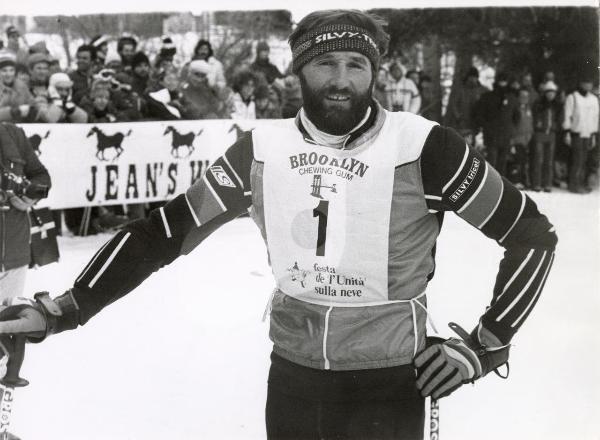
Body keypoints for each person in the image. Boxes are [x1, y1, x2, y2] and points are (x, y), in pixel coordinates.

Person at [0, 10, 557, 440]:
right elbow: (162, 233)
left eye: (356, 65)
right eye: (325, 63)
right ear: (299, 70)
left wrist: (486, 345)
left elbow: (532, 236)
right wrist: (66, 308)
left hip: (389, 382)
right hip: (293, 379)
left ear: (374, 73)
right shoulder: (260, 151)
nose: (341, 80)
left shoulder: (425, 146)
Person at [0, 122, 51, 302]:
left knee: (8, 323)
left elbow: (42, 176)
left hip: (14, 252)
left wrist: (30, 195)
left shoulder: (13, 134)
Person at [563, 77, 599, 193]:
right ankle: (574, 184)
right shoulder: (573, 97)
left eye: (589, 83)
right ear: (581, 83)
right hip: (576, 133)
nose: (588, 86)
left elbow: (595, 118)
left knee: (584, 160)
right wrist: (567, 132)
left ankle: (581, 183)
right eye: (585, 83)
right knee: (577, 160)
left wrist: (593, 134)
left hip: (588, 134)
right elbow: (567, 115)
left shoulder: (593, 99)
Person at [474, 72, 514, 176]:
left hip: (505, 135)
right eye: (501, 81)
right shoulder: (487, 97)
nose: (503, 83)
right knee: (491, 162)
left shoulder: (511, 98)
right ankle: (490, 185)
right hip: (492, 134)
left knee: (502, 163)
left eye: (504, 81)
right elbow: (479, 114)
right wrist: (486, 127)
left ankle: (502, 187)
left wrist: (511, 128)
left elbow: (516, 116)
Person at [531, 80, 562, 192]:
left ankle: (547, 183)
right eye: (548, 92)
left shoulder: (557, 105)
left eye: (552, 92)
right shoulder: (539, 103)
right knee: (538, 159)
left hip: (551, 134)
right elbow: (534, 117)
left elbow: (560, 118)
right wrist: (537, 125)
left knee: (549, 161)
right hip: (540, 133)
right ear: (545, 93)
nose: (551, 94)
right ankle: (536, 183)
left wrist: (556, 126)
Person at [445, 67, 487, 147]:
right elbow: (454, 104)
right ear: (467, 77)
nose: (472, 79)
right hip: (463, 122)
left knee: (475, 145)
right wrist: (458, 117)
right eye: (471, 77)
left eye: (474, 77)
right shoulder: (461, 89)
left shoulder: (482, 90)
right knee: (463, 144)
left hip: (476, 123)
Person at [0, 51, 36, 122]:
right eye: (4, 71)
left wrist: (33, 110)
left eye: (11, 70)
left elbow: (32, 103)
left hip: (19, 127)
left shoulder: (22, 87)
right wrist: (12, 112)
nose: (8, 74)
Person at [510, 88, 534, 189]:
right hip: (517, 139)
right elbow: (512, 125)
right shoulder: (515, 109)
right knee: (517, 162)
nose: (524, 98)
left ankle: (524, 180)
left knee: (524, 162)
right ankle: (516, 181)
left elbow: (530, 123)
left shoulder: (528, 109)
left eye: (526, 96)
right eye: (522, 96)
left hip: (527, 139)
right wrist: (512, 139)